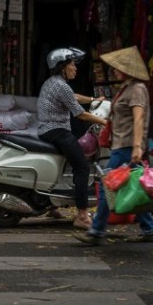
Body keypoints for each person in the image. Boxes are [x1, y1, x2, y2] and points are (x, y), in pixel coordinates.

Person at [75, 46, 153, 245]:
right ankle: (149, 229)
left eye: (118, 67)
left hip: (127, 147)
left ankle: (96, 231)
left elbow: (138, 119)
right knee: (134, 188)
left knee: (107, 187)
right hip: (123, 146)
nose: (114, 70)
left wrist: (137, 147)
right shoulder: (127, 88)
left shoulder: (136, 90)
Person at [37, 47, 108, 229]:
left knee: (62, 166)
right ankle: (82, 215)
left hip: (47, 130)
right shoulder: (61, 86)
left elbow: (73, 97)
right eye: (72, 64)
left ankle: (52, 206)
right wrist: (105, 122)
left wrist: (93, 99)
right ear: (62, 67)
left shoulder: (54, 82)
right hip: (57, 131)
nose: (75, 68)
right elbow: (81, 115)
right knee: (82, 167)